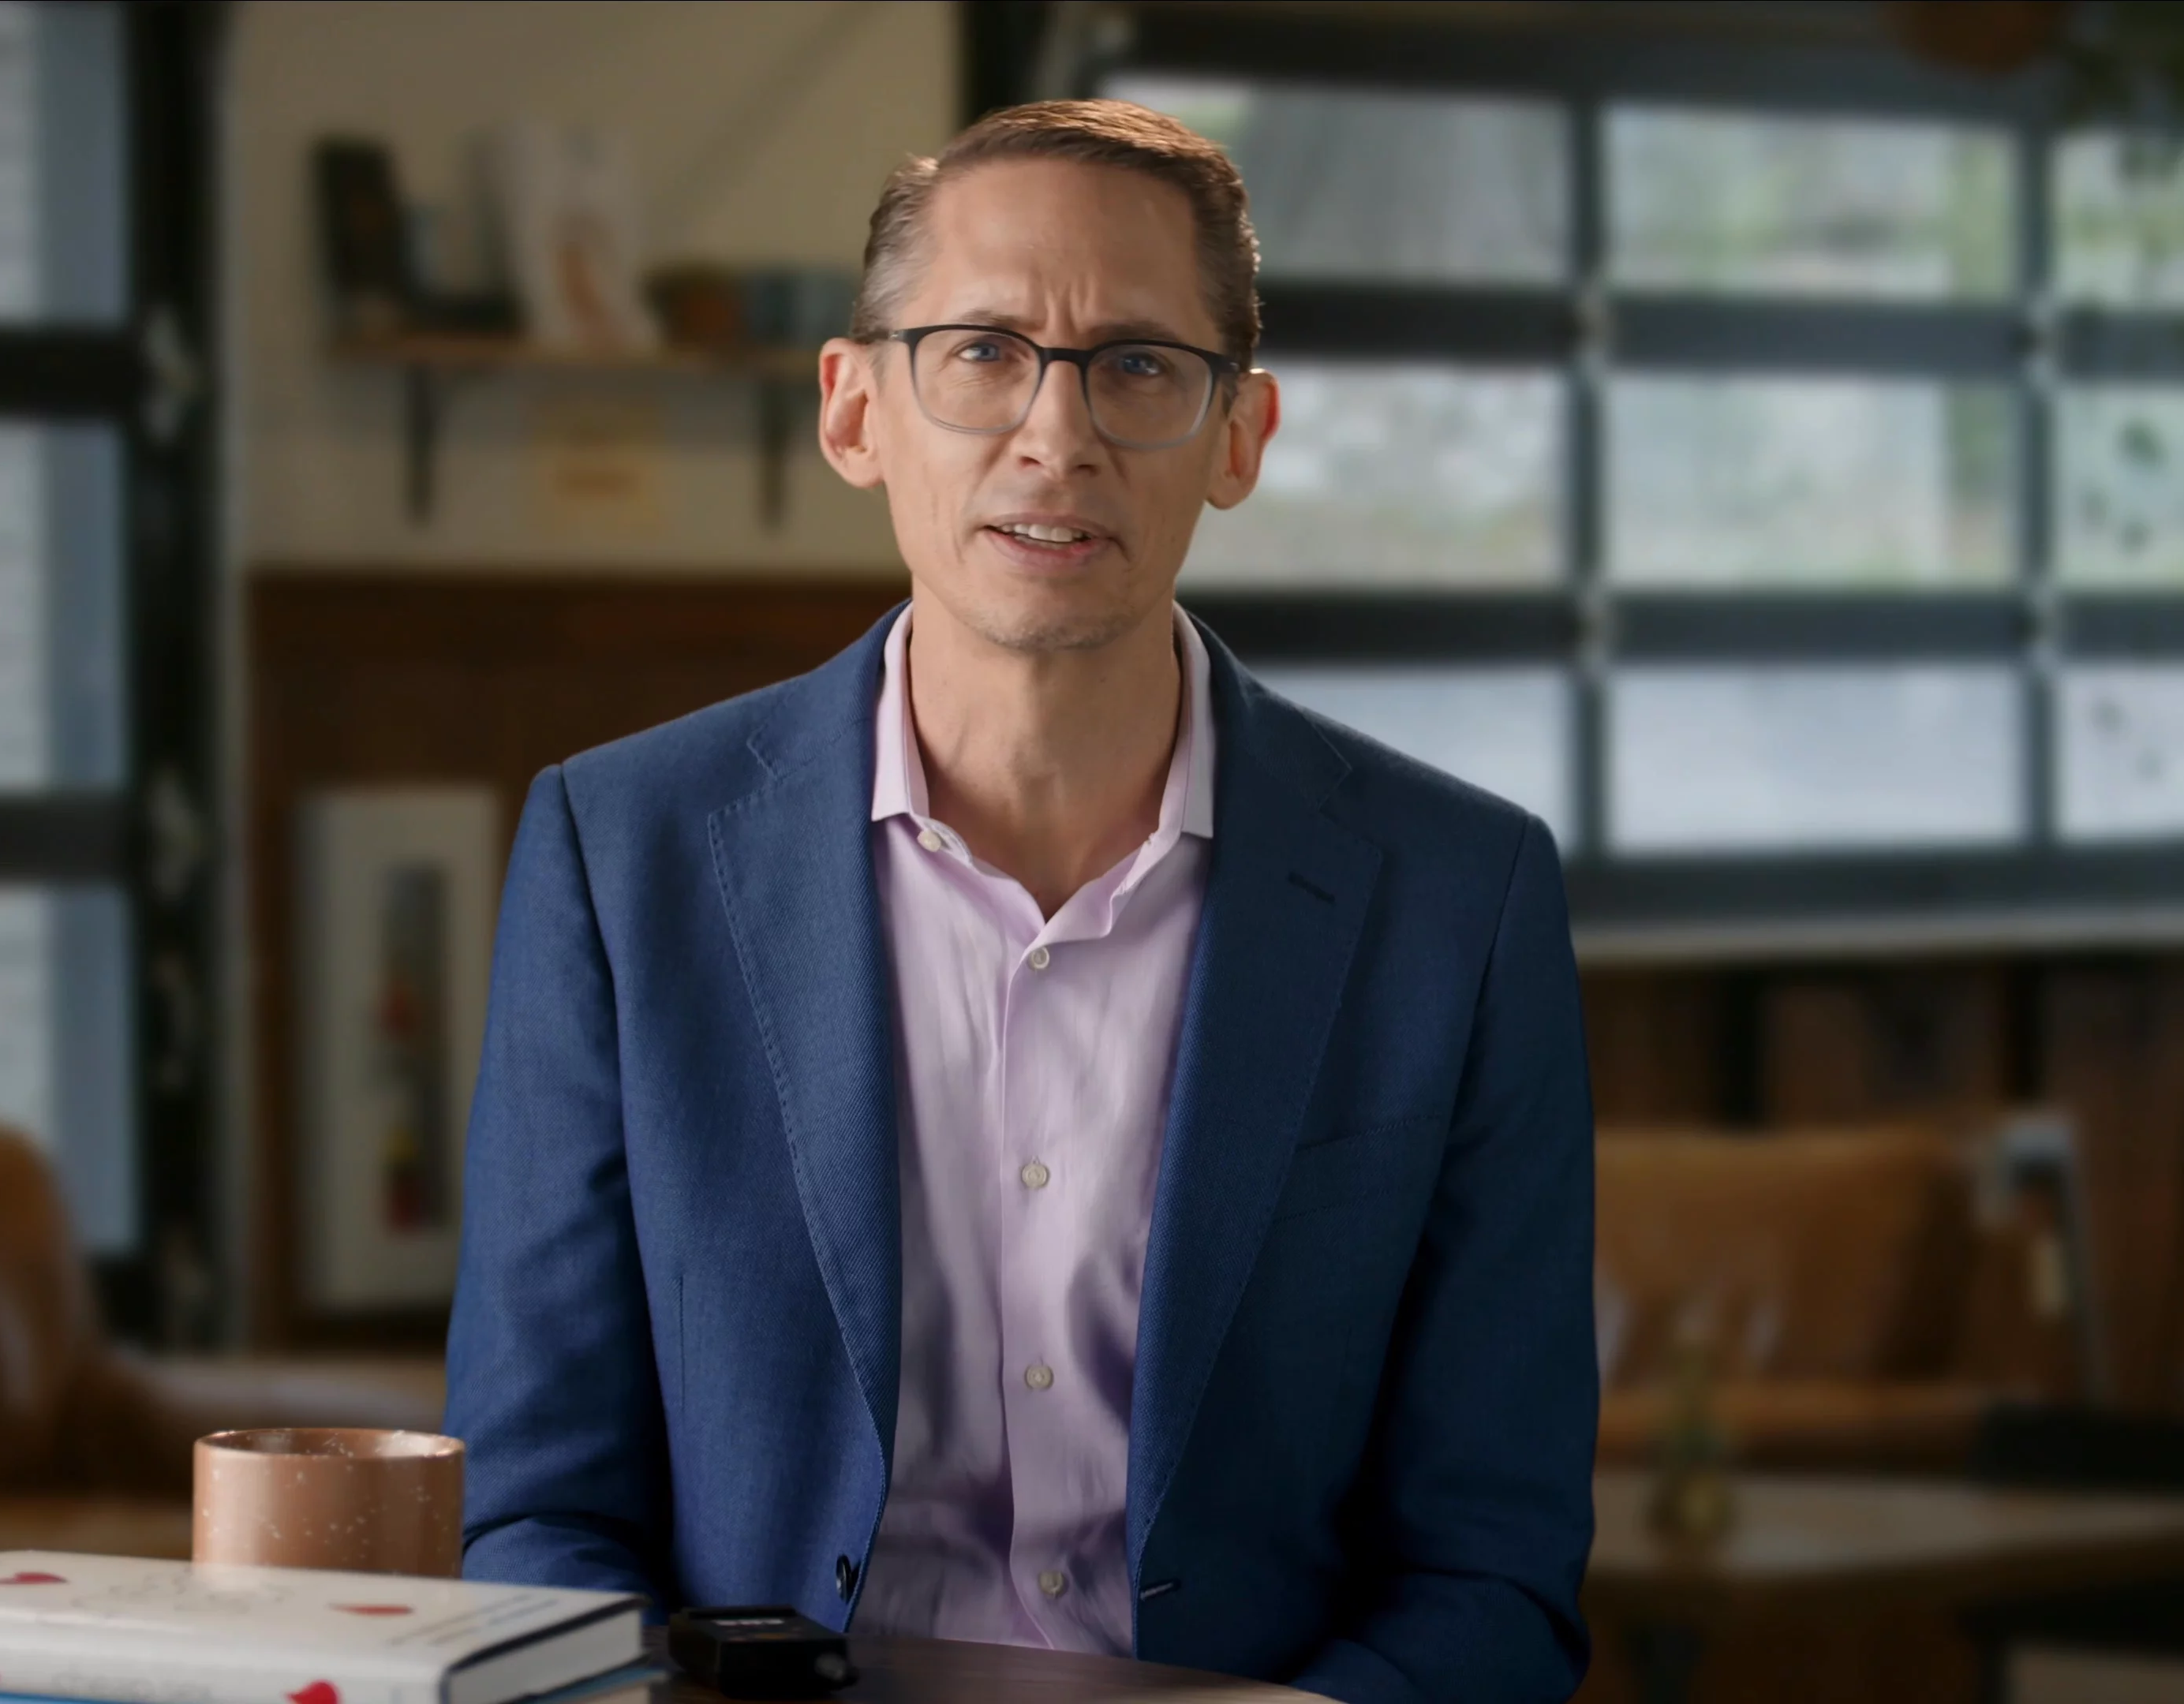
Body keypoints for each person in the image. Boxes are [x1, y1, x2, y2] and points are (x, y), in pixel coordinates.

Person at [443, 99, 1595, 1703]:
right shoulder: (621, 854)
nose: (1058, 436)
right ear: (855, 411)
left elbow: (1494, 1572)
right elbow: (534, 1511)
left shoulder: (1457, 901)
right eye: (983, 352)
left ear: (1241, 435)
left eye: (1139, 366)